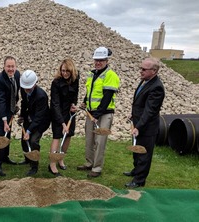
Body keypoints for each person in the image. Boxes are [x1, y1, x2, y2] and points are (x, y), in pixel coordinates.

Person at [77, 46, 120, 178]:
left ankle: (97, 167)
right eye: (96, 60)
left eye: (101, 60)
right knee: (89, 139)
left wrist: (98, 114)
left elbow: (107, 97)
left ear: (107, 60)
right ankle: (89, 162)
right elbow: (90, 91)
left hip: (104, 113)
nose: (98, 62)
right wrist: (85, 101)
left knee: (100, 141)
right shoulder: (92, 73)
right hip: (92, 112)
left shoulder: (110, 75)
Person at [124, 57, 165, 188]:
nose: (140, 71)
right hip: (138, 122)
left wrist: (139, 126)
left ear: (154, 71)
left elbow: (150, 110)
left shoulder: (157, 87)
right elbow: (140, 104)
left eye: (144, 69)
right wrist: (133, 115)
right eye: (140, 68)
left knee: (144, 154)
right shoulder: (145, 81)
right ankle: (136, 171)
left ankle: (139, 180)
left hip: (147, 128)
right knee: (136, 150)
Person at [0, 56, 20, 176]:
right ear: (4, 67)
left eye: (12, 66)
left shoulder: (17, 75)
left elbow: (16, 92)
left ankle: (5, 157)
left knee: (8, 134)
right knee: (1, 137)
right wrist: (5, 121)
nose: (11, 69)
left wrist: (14, 107)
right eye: (8, 67)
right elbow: (0, 102)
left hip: (9, 111)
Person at [49, 59, 79, 176]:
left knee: (68, 135)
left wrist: (73, 105)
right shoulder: (56, 83)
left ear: (71, 71)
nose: (65, 73)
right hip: (58, 112)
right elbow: (55, 103)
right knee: (57, 136)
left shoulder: (75, 79)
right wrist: (62, 123)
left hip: (69, 112)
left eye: (67, 71)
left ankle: (61, 158)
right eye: (63, 71)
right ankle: (52, 164)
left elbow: (75, 94)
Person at [18, 70, 50, 176]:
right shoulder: (24, 89)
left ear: (35, 84)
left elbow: (38, 118)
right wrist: (22, 116)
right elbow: (24, 102)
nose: (27, 90)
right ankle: (28, 159)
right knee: (24, 140)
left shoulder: (41, 96)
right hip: (29, 117)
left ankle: (34, 166)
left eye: (29, 88)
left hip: (41, 121)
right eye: (25, 88)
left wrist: (29, 131)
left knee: (33, 141)